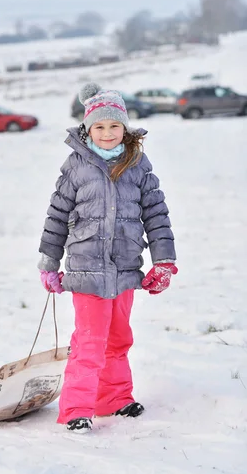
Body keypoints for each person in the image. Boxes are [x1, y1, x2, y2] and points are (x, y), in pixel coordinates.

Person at [38, 82, 177, 434]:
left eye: (114, 126)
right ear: (87, 129)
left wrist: (163, 261)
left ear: (125, 128)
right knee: (89, 342)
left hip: (126, 269)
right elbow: (56, 216)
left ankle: (113, 399)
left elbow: (157, 215)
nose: (107, 133)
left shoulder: (138, 165)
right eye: (99, 126)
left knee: (118, 340)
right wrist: (48, 263)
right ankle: (76, 409)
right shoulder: (76, 166)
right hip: (86, 270)